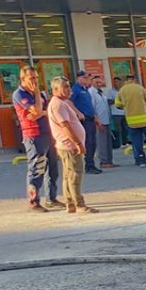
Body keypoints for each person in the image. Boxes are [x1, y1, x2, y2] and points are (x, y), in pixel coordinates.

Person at [12, 65, 61, 211]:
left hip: (48, 132)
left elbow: (46, 111)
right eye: (32, 78)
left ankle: (51, 198)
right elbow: (37, 110)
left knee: (52, 169)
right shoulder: (20, 94)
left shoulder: (40, 94)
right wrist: (39, 102)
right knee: (36, 169)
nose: (35, 81)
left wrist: (41, 111)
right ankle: (34, 201)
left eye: (36, 78)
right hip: (34, 135)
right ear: (23, 79)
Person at [47, 76, 98, 214]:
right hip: (69, 146)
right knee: (75, 175)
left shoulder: (62, 103)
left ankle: (70, 203)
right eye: (65, 87)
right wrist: (78, 143)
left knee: (69, 175)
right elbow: (65, 126)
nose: (69, 89)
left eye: (69, 86)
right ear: (55, 89)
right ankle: (78, 204)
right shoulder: (57, 104)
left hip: (68, 145)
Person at [114, 75, 146, 167]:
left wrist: (126, 106)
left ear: (126, 80)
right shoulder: (140, 88)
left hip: (132, 121)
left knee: (137, 141)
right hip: (145, 119)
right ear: (134, 79)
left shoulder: (122, 90)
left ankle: (141, 160)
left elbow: (117, 104)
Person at [70, 70, 100, 174]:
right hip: (84, 119)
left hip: (91, 119)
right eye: (85, 78)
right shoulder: (76, 89)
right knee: (88, 142)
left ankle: (91, 164)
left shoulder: (85, 89)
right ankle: (89, 165)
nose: (87, 80)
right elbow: (69, 102)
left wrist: (95, 117)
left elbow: (89, 105)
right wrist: (78, 113)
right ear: (79, 78)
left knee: (93, 143)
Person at [89, 75, 116, 168]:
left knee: (108, 142)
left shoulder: (101, 92)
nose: (98, 84)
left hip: (106, 120)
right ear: (91, 82)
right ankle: (103, 161)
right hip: (99, 121)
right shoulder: (91, 93)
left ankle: (109, 161)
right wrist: (97, 121)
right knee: (101, 142)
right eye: (96, 82)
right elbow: (92, 109)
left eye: (100, 82)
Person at [107, 76, 125, 149]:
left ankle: (125, 142)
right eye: (114, 82)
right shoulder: (111, 92)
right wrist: (116, 100)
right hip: (116, 113)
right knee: (118, 129)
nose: (115, 83)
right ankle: (119, 143)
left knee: (126, 129)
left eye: (117, 82)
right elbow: (108, 101)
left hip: (125, 112)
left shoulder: (123, 91)